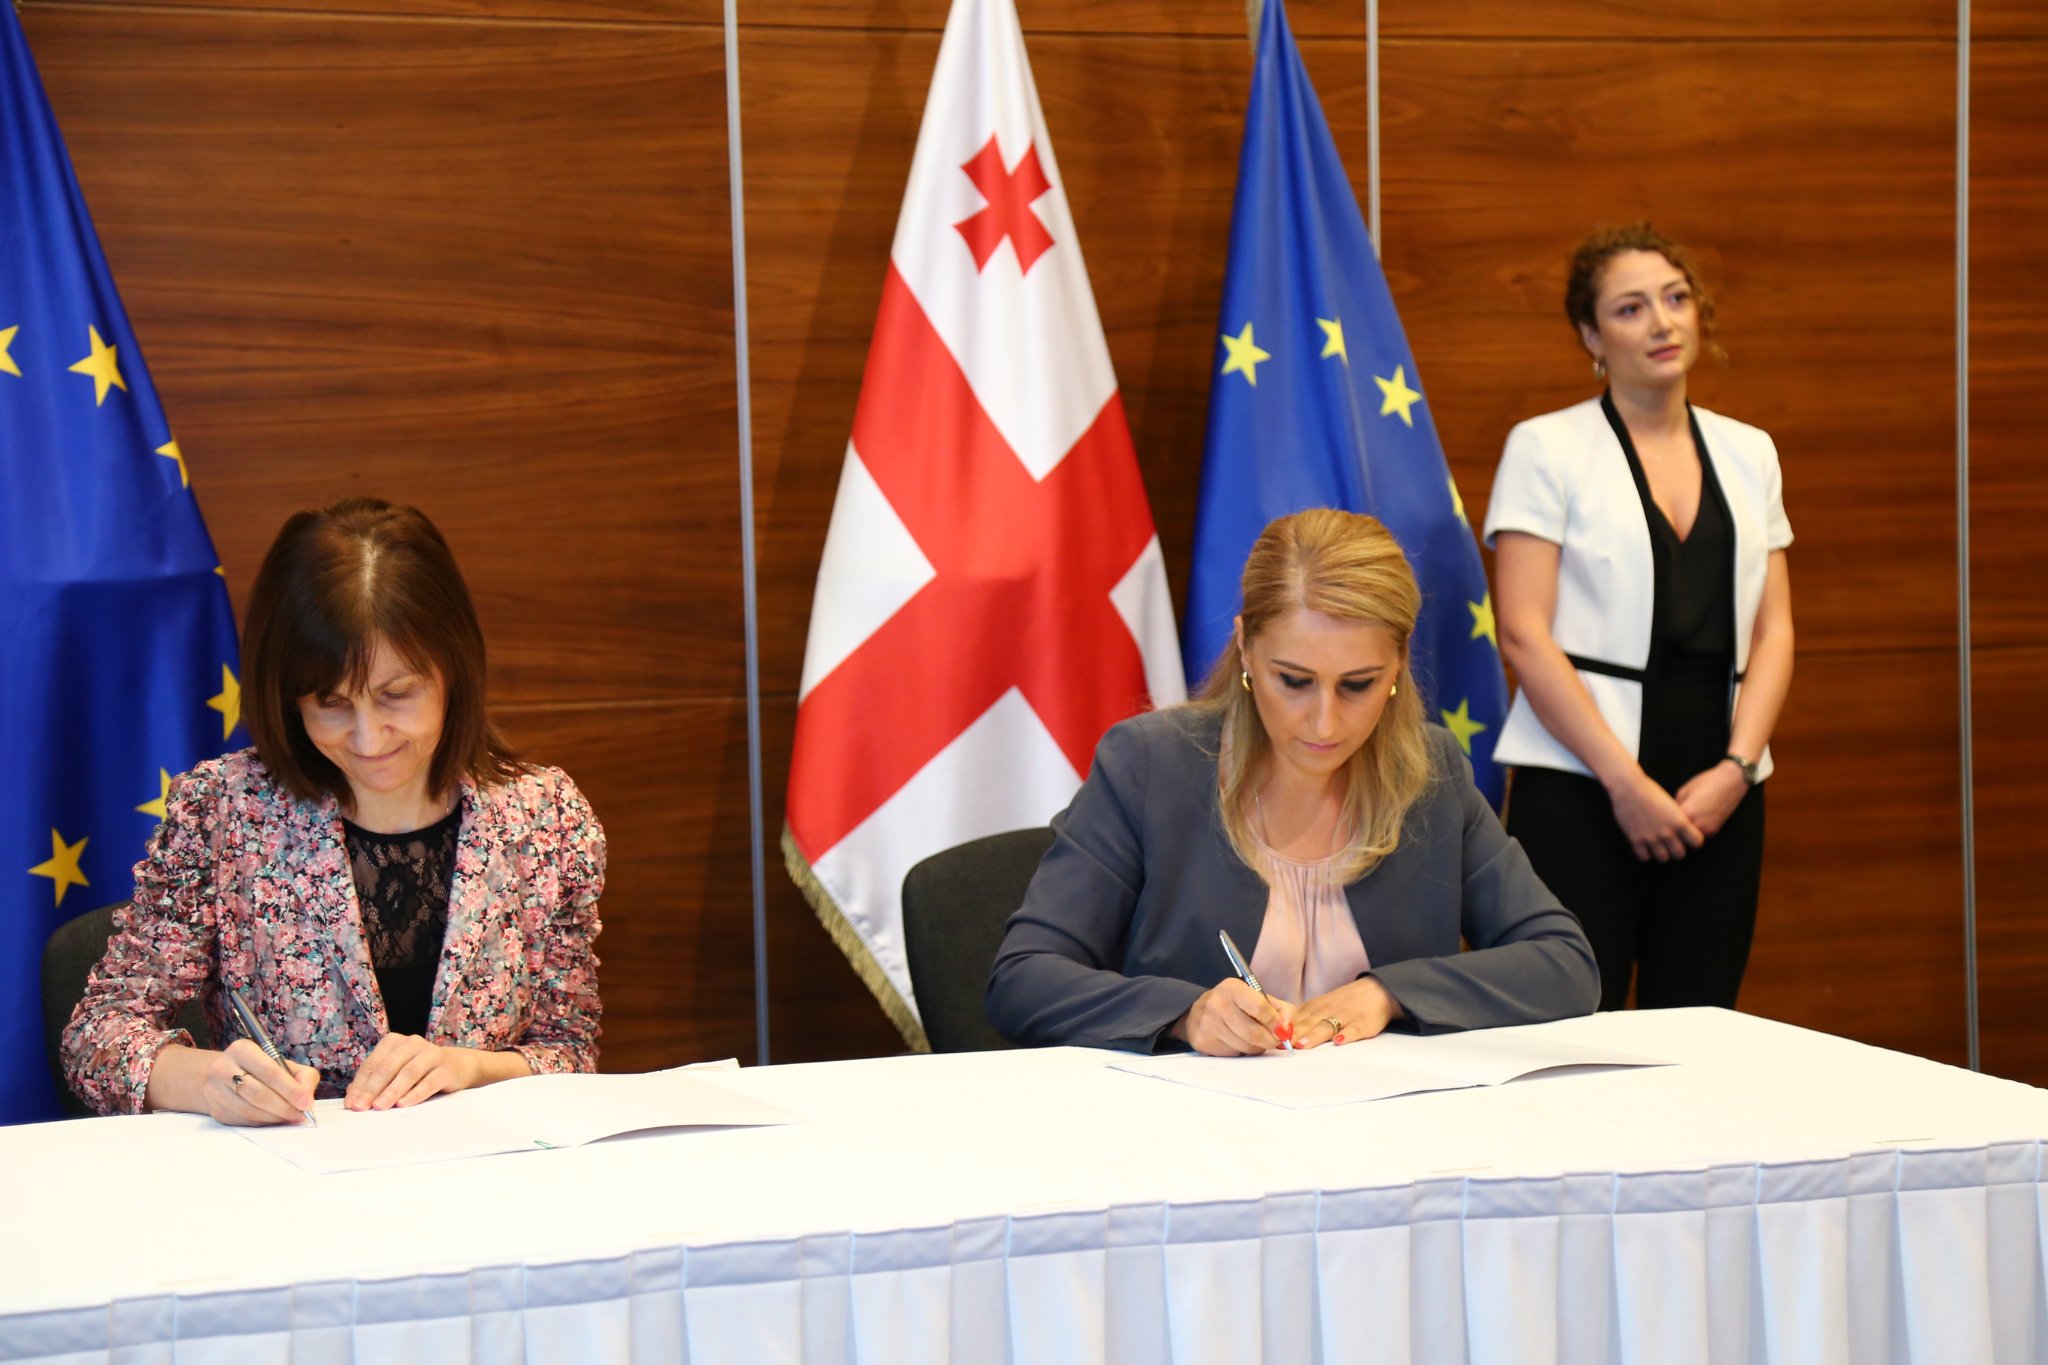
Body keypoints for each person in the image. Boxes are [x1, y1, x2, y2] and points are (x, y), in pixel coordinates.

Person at [62, 499, 605, 1123]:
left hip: (483, 1165)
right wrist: (211, 1081)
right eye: (331, 703)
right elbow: (97, 1037)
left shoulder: (546, 818)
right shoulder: (223, 811)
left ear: (454, 669)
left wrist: (470, 1068)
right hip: (292, 1166)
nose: (369, 739)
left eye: (397, 695)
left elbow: (569, 1052)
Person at [985, 508, 1598, 1055]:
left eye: (1357, 685)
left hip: (1386, 1124)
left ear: (1398, 664)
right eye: (1294, 681)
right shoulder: (1149, 764)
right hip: (1190, 1128)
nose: (1325, 723)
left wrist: (1389, 995)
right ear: (1246, 647)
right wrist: (1185, 1015)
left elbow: (1565, 963)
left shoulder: (1431, 772)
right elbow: (1023, 978)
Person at [1484, 223, 1794, 1012]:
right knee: (1569, 1026)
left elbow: (1775, 631)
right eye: (1630, 308)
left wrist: (1737, 769)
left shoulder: (1750, 451)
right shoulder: (1546, 447)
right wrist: (1625, 784)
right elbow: (1523, 631)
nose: (1661, 322)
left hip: (1717, 792)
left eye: (1675, 298)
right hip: (1583, 781)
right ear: (1591, 336)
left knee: (1700, 1028)